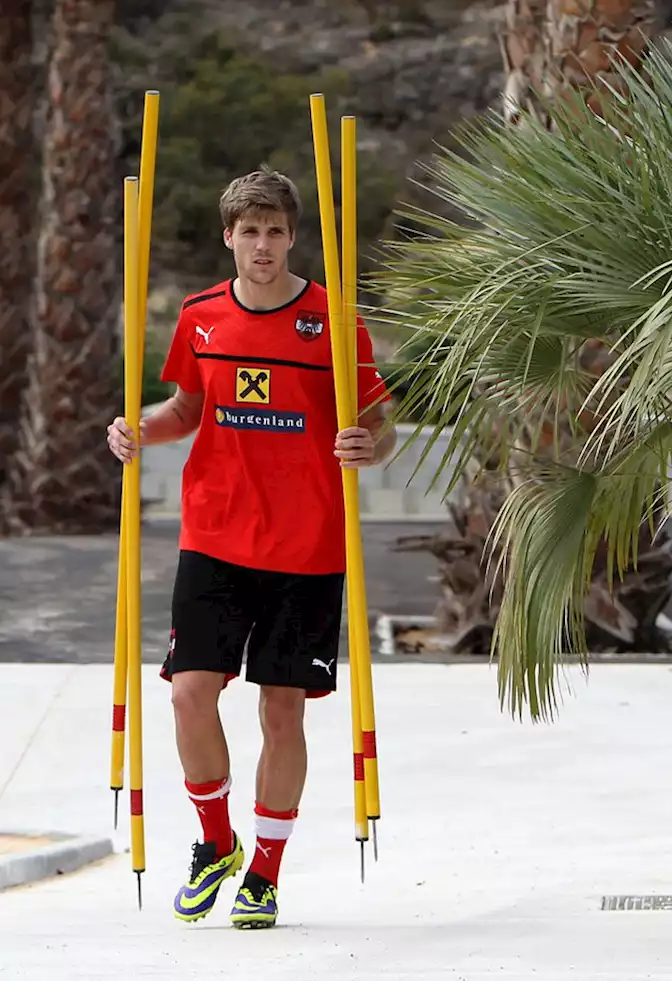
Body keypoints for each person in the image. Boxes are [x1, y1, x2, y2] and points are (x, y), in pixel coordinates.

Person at [105, 166, 396, 930]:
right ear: (228, 236)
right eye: (249, 231)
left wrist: (371, 444)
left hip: (308, 545)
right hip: (216, 533)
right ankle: (215, 844)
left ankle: (264, 872)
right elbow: (185, 409)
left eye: (275, 231)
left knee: (282, 709)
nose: (262, 245)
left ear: (293, 236)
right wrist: (136, 427)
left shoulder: (334, 320)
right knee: (187, 693)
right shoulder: (201, 315)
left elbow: (378, 417)